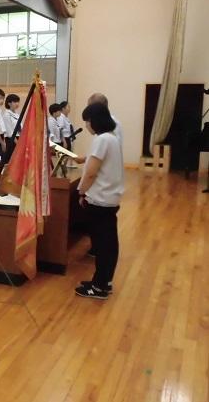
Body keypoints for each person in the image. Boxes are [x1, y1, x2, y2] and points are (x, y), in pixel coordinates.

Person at [74, 103, 124, 300]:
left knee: (103, 244)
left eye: (87, 121)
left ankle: (99, 286)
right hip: (110, 198)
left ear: (95, 120)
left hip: (100, 199)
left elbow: (91, 172)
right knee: (108, 242)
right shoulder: (112, 138)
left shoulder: (102, 139)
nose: (86, 125)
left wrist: (81, 192)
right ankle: (103, 281)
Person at [2, 94, 21, 162]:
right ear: (9, 103)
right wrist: (18, 143)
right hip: (12, 140)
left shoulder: (17, 114)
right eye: (15, 102)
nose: (17, 104)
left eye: (18, 102)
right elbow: (10, 132)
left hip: (19, 139)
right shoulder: (6, 115)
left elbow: (20, 128)